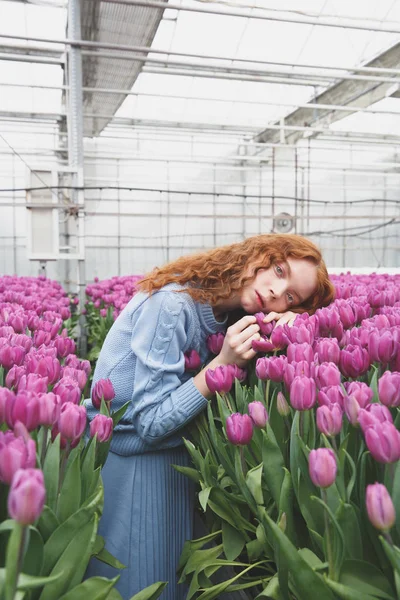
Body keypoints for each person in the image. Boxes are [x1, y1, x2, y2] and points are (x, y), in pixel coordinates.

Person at [85, 233, 334, 599]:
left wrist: (282, 333)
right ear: (258, 256)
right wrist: (222, 364)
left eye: (291, 297)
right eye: (279, 270)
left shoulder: (230, 318)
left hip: (182, 465)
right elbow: (150, 424)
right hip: (135, 467)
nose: (276, 291)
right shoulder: (172, 305)